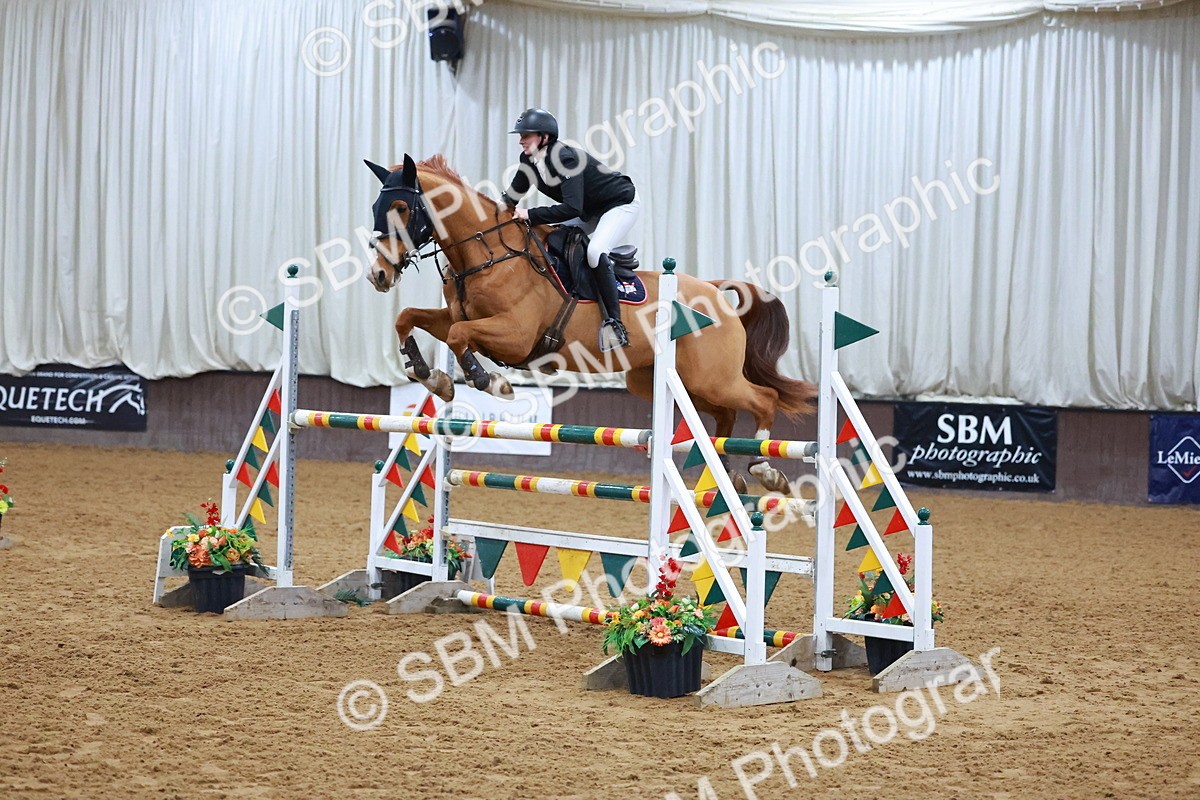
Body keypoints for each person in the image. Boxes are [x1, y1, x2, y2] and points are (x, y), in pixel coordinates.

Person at [501, 108, 640, 350]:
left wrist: (530, 214)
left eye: (526, 135)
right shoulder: (528, 160)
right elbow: (510, 199)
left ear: (544, 136)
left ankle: (615, 324)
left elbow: (572, 208)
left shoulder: (565, 159)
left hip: (619, 204)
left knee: (596, 251)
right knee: (550, 238)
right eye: (520, 135)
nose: (520, 140)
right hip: (590, 209)